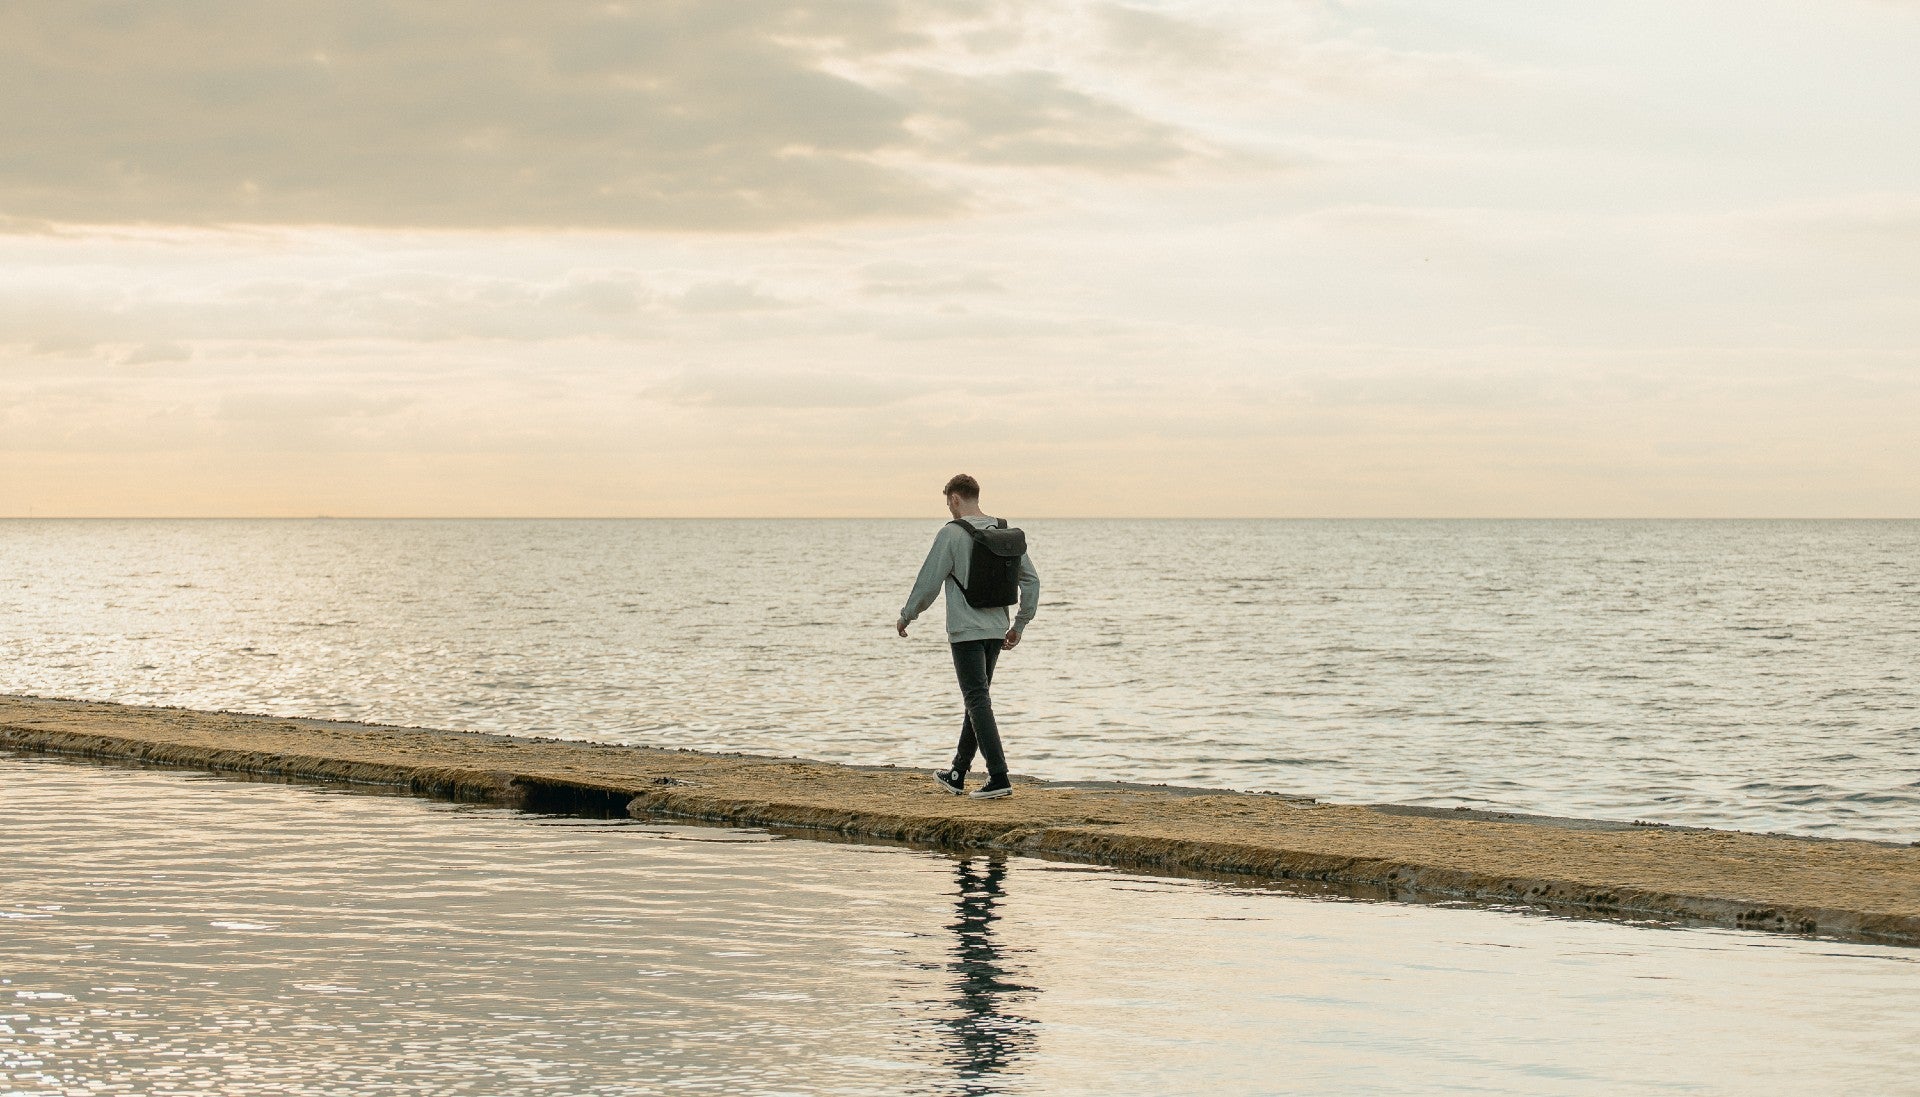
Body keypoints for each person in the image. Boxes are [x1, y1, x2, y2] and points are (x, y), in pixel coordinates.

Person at [895, 473, 1040, 800]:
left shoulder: (952, 534)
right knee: (977, 699)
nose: (949, 508)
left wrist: (907, 615)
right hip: (996, 630)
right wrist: (1020, 623)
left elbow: (929, 581)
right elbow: (1031, 581)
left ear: (955, 499)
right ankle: (958, 773)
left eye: (948, 502)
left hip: (966, 632)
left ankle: (999, 776)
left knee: (977, 699)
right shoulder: (1004, 532)